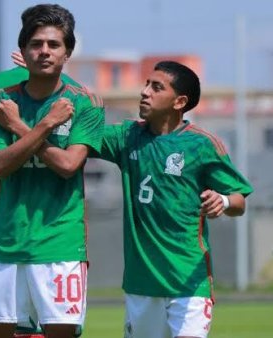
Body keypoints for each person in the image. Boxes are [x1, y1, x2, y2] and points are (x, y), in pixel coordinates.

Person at [0, 4, 105, 338]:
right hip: (5, 241)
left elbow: (68, 166)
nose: (44, 51)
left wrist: (18, 126)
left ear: (67, 52)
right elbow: (0, 166)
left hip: (59, 243)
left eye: (54, 45)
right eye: (36, 44)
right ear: (23, 52)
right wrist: (44, 125)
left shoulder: (84, 103)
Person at [93, 61, 252, 338]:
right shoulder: (126, 137)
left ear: (179, 101)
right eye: (146, 84)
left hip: (189, 282)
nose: (145, 92)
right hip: (141, 283)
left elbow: (239, 201)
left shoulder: (201, 144)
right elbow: (78, 138)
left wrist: (223, 201)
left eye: (156, 87)